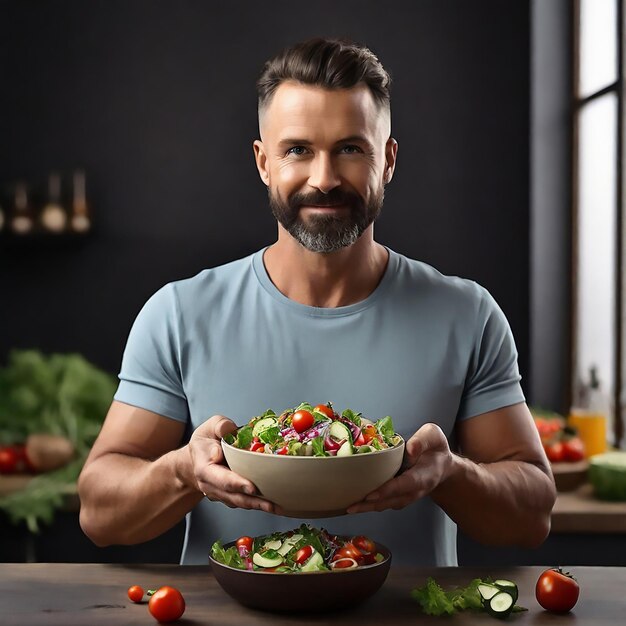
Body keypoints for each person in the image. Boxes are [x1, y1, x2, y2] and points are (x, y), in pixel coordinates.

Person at [78, 37, 556, 566]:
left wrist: (450, 473)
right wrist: (182, 471)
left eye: (350, 148)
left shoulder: (468, 315)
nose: (324, 178)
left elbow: (532, 516)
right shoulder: (178, 314)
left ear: (388, 160)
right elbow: (99, 514)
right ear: (263, 162)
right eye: (297, 150)